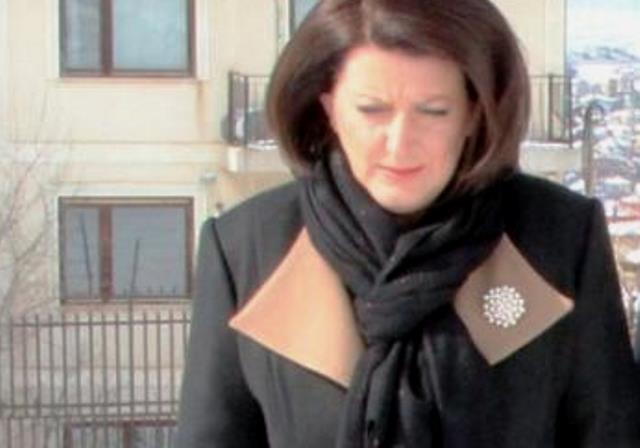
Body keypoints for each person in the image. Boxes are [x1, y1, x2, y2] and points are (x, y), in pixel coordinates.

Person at [175, 0, 640, 446]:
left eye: (433, 111)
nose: (400, 143)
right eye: (372, 109)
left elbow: (608, 432)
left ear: (473, 113)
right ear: (329, 108)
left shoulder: (557, 238)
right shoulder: (247, 250)